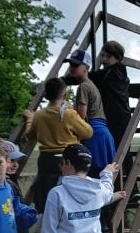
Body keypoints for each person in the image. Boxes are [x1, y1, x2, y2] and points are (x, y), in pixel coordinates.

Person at [23, 77, 93, 212]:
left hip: (46, 160)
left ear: (45, 95)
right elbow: (88, 132)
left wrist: (30, 119)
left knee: (47, 197)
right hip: (68, 160)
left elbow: (29, 135)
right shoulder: (69, 114)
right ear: (64, 94)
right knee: (69, 196)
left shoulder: (38, 115)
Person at [90, 39, 137, 201]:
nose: (103, 59)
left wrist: (65, 79)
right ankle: (133, 189)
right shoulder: (122, 73)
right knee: (124, 153)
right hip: (123, 117)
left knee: (115, 153)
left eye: (107, 56)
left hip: (114, 119)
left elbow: (87, 77)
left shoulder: (109, 74)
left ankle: (121, 189)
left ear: (116, 57)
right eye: (102, 56)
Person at [64, 49, 116, 176]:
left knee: (93, 176)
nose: (72, 67)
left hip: (94, 134)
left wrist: (68, 109)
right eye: (71, 64)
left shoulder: (83, 87)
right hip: (102, 133)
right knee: (104, 176)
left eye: (76, 65)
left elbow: (81, 117)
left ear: (86, 67)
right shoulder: (90, 85)